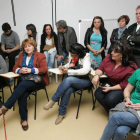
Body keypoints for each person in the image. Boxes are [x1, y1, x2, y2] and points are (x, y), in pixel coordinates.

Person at [0, 38, 49, 131]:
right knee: (22, 94)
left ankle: (4, 108)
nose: (27, 48)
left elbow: (44, 69)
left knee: (21, 86)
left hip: (37, 80)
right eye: (25, 46)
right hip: (24, 80)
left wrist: (31, 70)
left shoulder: (40, 55)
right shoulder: (21, 55)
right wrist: (20, 70)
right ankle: (24, 119)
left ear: (33, 46)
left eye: (29, 46)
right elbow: (14, 68)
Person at [43, 43, 92, 125]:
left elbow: (86, 70)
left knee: (68, 79)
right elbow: (70, 64)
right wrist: (64, 67)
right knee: (67, 90)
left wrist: (68, 71)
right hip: (74, 79)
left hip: (85, 80)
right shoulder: (73, 55)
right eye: (71, 55)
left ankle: (53, 100)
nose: (72, 57)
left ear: (79, 53)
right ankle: (61, 114)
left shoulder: (86, 55)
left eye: (74, 55)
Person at [92, 41, 138, 113]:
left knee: (110, 99)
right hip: (110, 82)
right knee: (98, 94)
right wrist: (97, 75)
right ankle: (112, 112)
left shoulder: (131, 67)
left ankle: (115, 112)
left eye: (115, 52)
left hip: (122, 86)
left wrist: (110, 88)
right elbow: (100, 68)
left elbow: (125, 84)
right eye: (112, 50)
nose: (111, 53)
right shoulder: (108, 58)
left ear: (122, 55)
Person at [100, 68, 140, 140]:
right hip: (132, 106)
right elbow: (127, 89)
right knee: (120, 131)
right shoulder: (138, 72)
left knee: (115, 117)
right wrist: (127, 99)